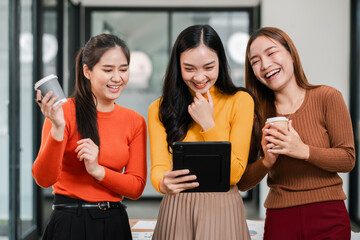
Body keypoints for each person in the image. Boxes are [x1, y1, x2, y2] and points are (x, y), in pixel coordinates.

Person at [237, 27, 355, 240]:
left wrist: (303, 150)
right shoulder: (256, 114)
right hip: (280, 218)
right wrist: (266, 162)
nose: (265, 65)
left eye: (271, 53)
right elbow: (243, 182)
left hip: (329, 214)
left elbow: (347, 159)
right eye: (255, 61)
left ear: (290, 54)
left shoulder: (328, 97)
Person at [32, 33, 147, 240]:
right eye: (108, 70)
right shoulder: (63, 112)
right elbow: (43, 179)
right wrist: (58, 128)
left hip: (114, 223)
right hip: (69, 223)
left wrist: (97, 170)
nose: (117, 78)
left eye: (123, 69)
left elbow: (136, 187)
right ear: (87, 71)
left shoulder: (135, 121)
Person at [148, 24, 254, 240]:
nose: (199, 77)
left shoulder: (240, 101)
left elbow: (234, 173)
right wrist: (162, 182)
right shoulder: (159, 108)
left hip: (223, 207)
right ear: (178, 66)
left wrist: (208, 124)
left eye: (208, 67)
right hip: (177, 206)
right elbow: (158, 167)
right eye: (189, 68)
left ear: (220, 64)